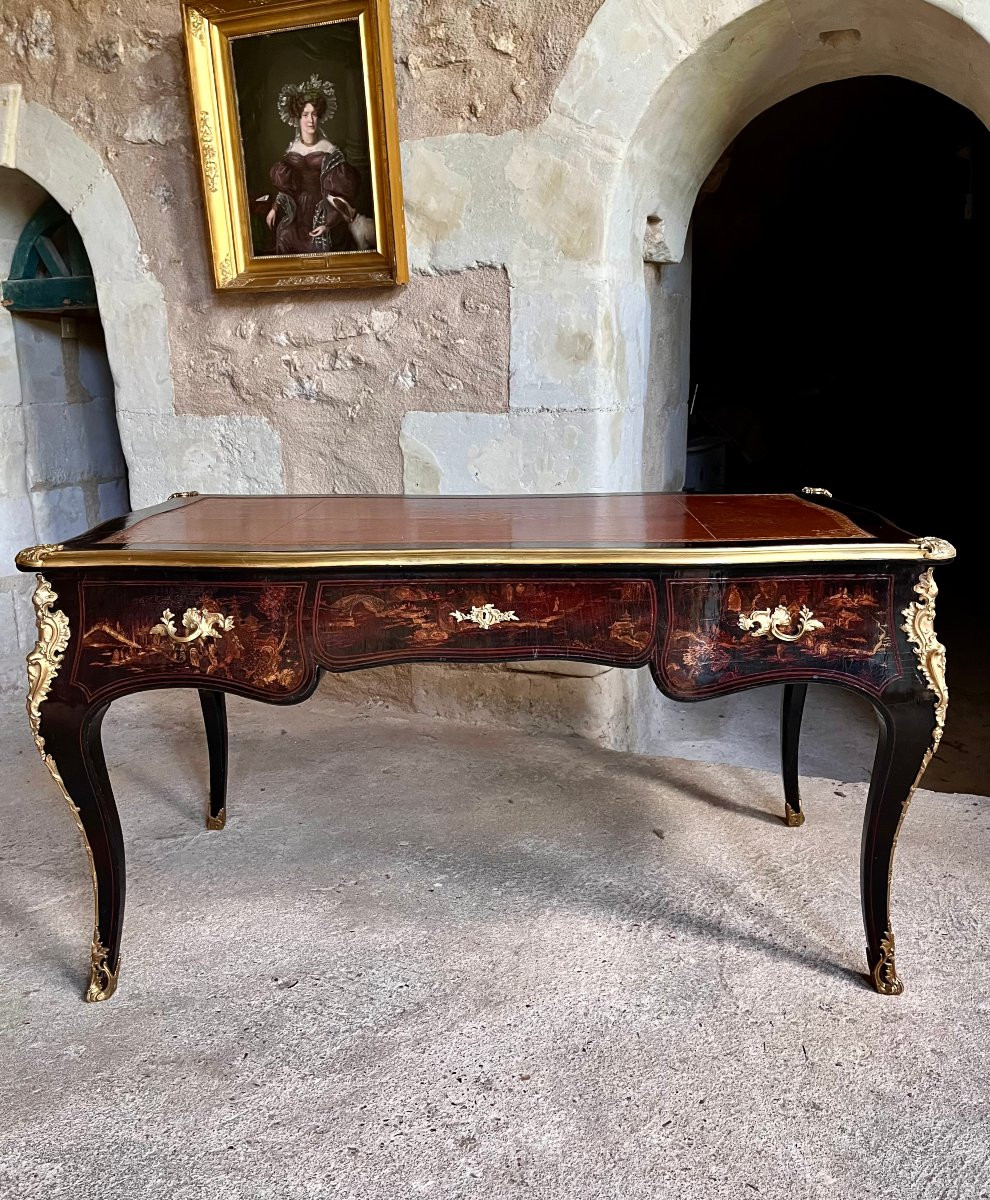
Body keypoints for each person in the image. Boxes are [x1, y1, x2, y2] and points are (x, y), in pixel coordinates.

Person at [265, 73, 374, 254]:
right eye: (305, 115)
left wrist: (328, 224)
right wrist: (275, 208)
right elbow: (287, 187)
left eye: (314, 114)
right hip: (296, 211)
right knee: (285, 234)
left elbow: (339, 195)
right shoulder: (292, 148)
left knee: (315, 244)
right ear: (297, 118)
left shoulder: (329, 149)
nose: (311, 120)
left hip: (323, 210)